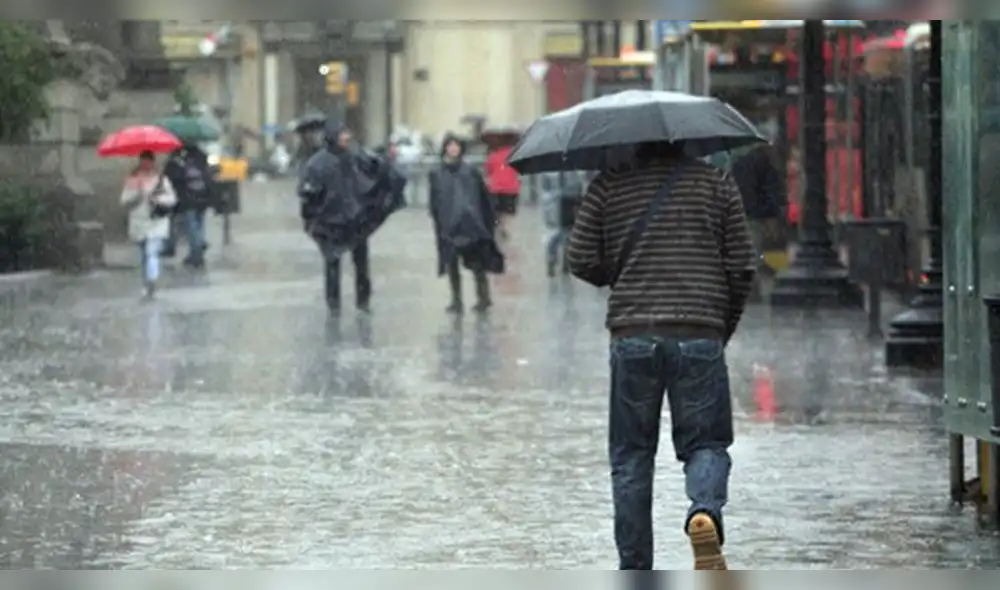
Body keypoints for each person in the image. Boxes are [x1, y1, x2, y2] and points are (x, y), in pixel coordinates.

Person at [565, 141, 756, 571]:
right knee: (705, 441)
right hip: (700, 330)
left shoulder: (608, 186)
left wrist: (619, 269)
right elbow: (742, 266)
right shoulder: (717, 184)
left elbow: (579, 259)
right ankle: (703, 510)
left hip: (633, 334)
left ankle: (634, 568)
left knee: (631, 454)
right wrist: (721, 324)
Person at [298, 120, 372, 314]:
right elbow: (307, 193)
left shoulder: (355, 157)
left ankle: (363, 302)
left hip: (356, 220)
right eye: (342, 134)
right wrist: (313, 218)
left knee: (362, 264)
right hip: (332, 222)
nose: (346, 138)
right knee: (332, 263)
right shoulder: (318, 163)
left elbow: (369, 178)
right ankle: (333, 304)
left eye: (347, 134)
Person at [429, 134, 503, 314]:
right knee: (452, 264)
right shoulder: (437, 173)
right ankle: (456, 300)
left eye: (456, 146)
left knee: (477, 264)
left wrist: (486, 219)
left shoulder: (470, 171)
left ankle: (483, 298)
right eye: (450, 145)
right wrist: (439, 219)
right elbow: (435, 200)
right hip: (449, 226)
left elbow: (482, 197)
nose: (453, 149)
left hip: (471, 225)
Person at [119, 151, 177, 299]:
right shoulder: (132, 179)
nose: (146, 164)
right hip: (139, 221)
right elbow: (124, 200)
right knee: (145, 253)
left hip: (156, 221)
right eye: (143, 161)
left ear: (152, 162)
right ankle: (146, 282)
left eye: (148, 161)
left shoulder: (161, 179)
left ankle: (152, 280)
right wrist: (137, 195)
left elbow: (172, 199)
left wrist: (156, 199)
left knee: (152, 251)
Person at [729, 142, 783, 296]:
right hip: (755, 215)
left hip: (740, 213)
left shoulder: (737, 161)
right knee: (754, 252)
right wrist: (771, 215)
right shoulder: (764, 162)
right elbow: (769, 191)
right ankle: (751, 288)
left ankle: (746, 287)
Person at [163, 143, 213, 269]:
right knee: (199, 225)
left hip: (188, 199)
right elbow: (209, 177)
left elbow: (172, 179)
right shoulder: (201, 158)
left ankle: (196, 255)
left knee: (192, 226)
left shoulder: (179, 160)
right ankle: (198, 248)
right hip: (203, 197)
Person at [540, 171, 586, 277]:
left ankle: (559, 261)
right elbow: (578, 191)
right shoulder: (573, 172)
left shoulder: (551, 172)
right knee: (559, 235)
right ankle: (556, 261)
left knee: (562, 235)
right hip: (559, 207)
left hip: (563, 206)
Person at [483, 143, 520, 240]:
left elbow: (487, 171)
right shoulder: (514, 154)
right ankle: (506, 228)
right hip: (511, 188)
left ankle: (499, 225)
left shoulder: (492, 156)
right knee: (508, 212)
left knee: (497, 211)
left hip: (495, 188)